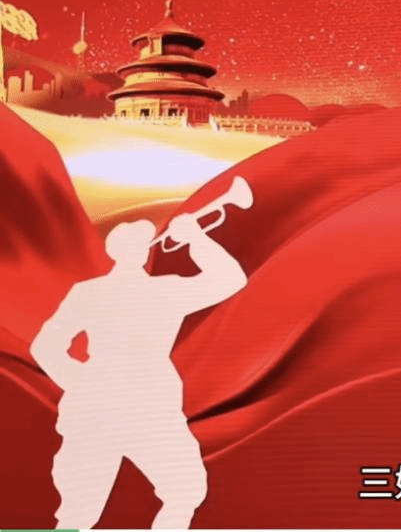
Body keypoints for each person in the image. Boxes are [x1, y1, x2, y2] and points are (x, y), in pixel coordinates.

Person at [29, 213, 249, 530]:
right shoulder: (154, 291)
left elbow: (46, 346)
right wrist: (196, 239)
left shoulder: (98, 292)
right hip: (134, 404)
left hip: (131, 405)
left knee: (177, 491)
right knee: (178, 493)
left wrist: (80, 381)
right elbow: (228, 279)